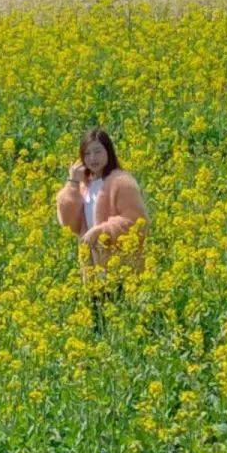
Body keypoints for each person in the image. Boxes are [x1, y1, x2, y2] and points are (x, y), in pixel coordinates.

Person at [56, 128, 149, 324]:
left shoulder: (121, 182)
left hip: (120, 264)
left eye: (98, 151)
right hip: (92, 266)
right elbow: (67, 222)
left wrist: (101, 230)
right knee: (98, 321)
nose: (93, 158)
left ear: (108, 151)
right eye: (87, 154)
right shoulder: (84, 185)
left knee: (122, 317)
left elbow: (136, 220)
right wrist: (72, 182)